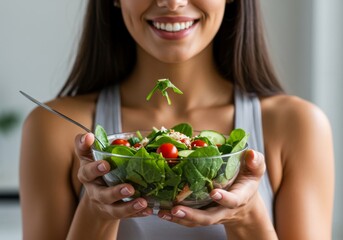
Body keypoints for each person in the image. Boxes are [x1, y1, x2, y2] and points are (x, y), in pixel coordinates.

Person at [19, 0, 335, 239]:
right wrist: (96, 211)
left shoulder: (297, 125)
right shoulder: (54, 128)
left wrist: (247, 216)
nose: (172, 2)